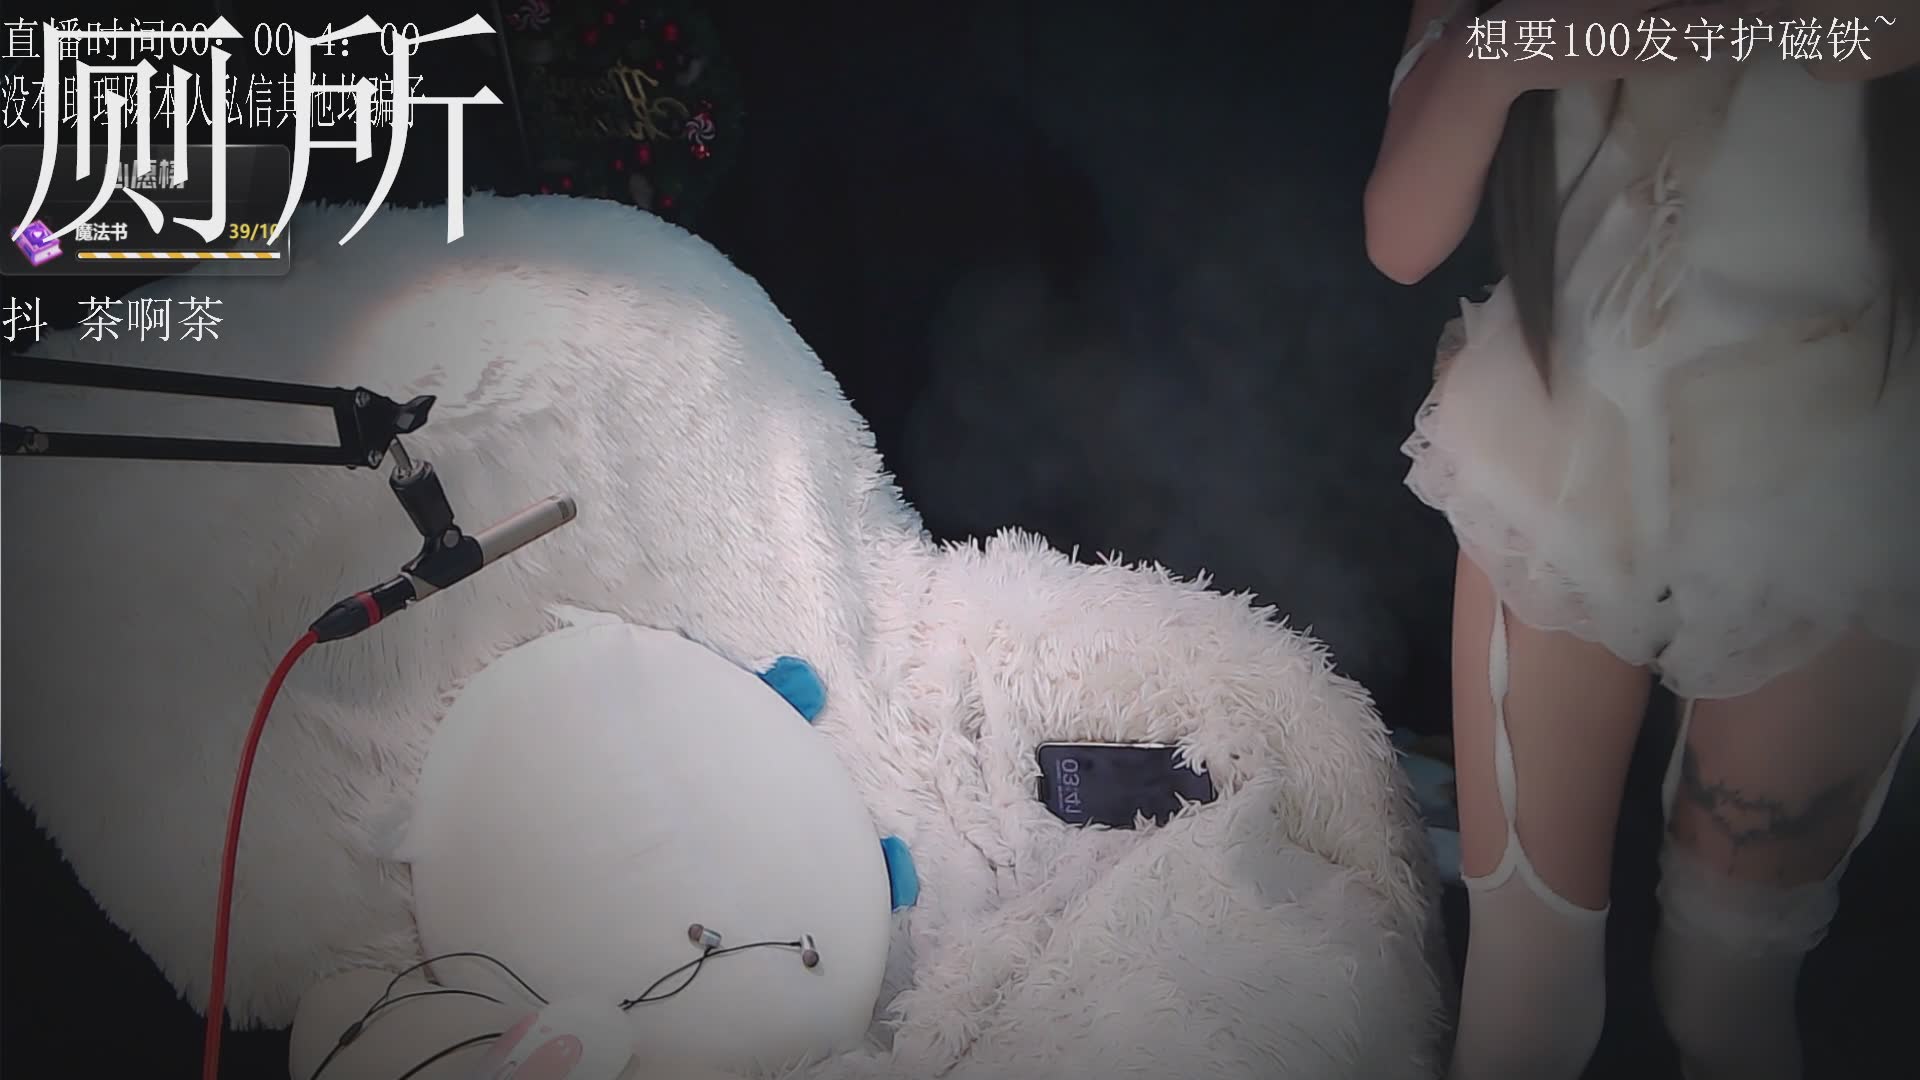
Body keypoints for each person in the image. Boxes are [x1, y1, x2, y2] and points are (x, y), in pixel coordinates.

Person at [1365, 1, 1920, 1077]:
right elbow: (1400, 237)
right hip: (1564, 439)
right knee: (1525, 1003)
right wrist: (1494, 54)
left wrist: (1555, 38)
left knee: (1723, 999)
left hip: (1834, 468)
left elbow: (1859, 38)